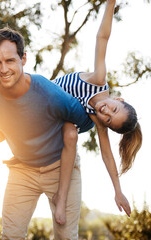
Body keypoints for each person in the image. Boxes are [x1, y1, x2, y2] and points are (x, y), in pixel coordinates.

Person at [0, 27, 95, 239]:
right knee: (11, 236)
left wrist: (105, 105)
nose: (3, 69)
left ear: (23, 58)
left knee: (66, 236)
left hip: (60, 168)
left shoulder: (48, 92)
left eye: (9, 60)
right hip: (23, 170)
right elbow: (2, 132)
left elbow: (86, 122)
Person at [51, 0, 142, 225]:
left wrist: (118, 191)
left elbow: (107, 154)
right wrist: (110, 3)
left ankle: (60, 200)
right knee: (74, 128)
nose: (105, 112)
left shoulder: (97, 118)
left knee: (72, 132)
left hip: (55, 119)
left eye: (108, 119)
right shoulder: (99, 79)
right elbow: (102, 37)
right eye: (113, 107)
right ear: (118, 99)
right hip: (47, 96)